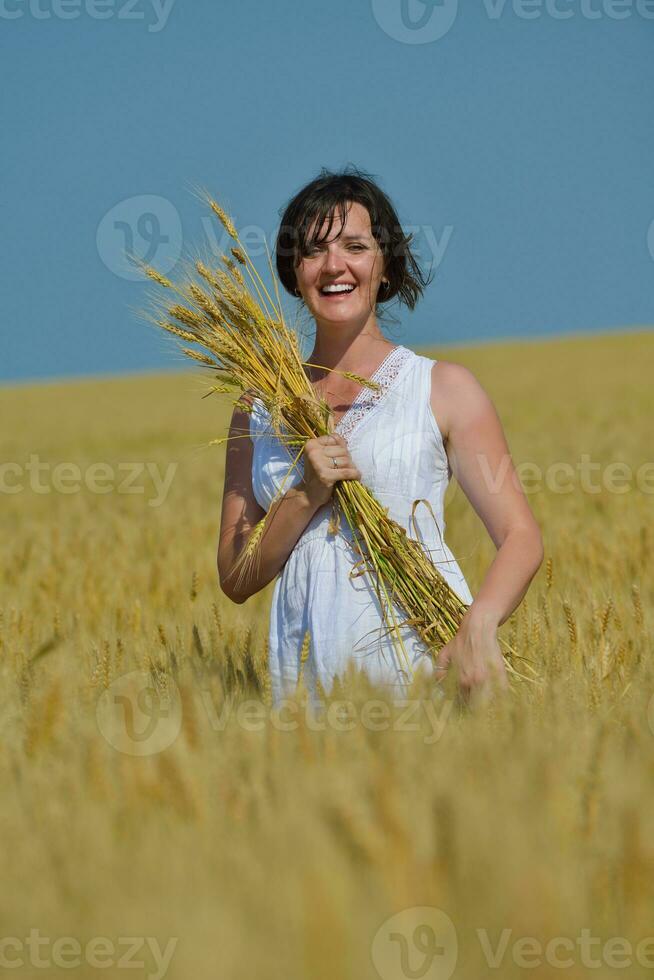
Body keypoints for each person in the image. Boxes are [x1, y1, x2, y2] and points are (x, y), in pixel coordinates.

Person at [217, 166, 544, 707]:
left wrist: (476, 630)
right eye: (314, 250)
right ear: (293, 272)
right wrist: (304, 496)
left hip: (425, 669)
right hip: (306, 686)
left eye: (355, 246)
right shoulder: (258, 406)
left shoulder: (441, 388)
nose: (334, 265)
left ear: (385, 265)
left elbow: (521, 537)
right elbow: (235, 577)